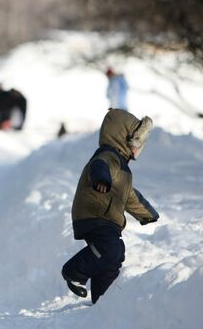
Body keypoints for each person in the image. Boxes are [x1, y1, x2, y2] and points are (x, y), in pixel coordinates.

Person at [61, 109, 159, 304]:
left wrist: (148, 214)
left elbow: (130, 196)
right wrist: (102, 180)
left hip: (107, 219)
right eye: (136, 142)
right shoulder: (108, 156)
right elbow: (98, 166)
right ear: (124, 138)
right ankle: (74, 272)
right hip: (94, 213)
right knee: (110, 249)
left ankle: (102, 299)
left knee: (115, 255)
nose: (137, 148)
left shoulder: (124, 170)